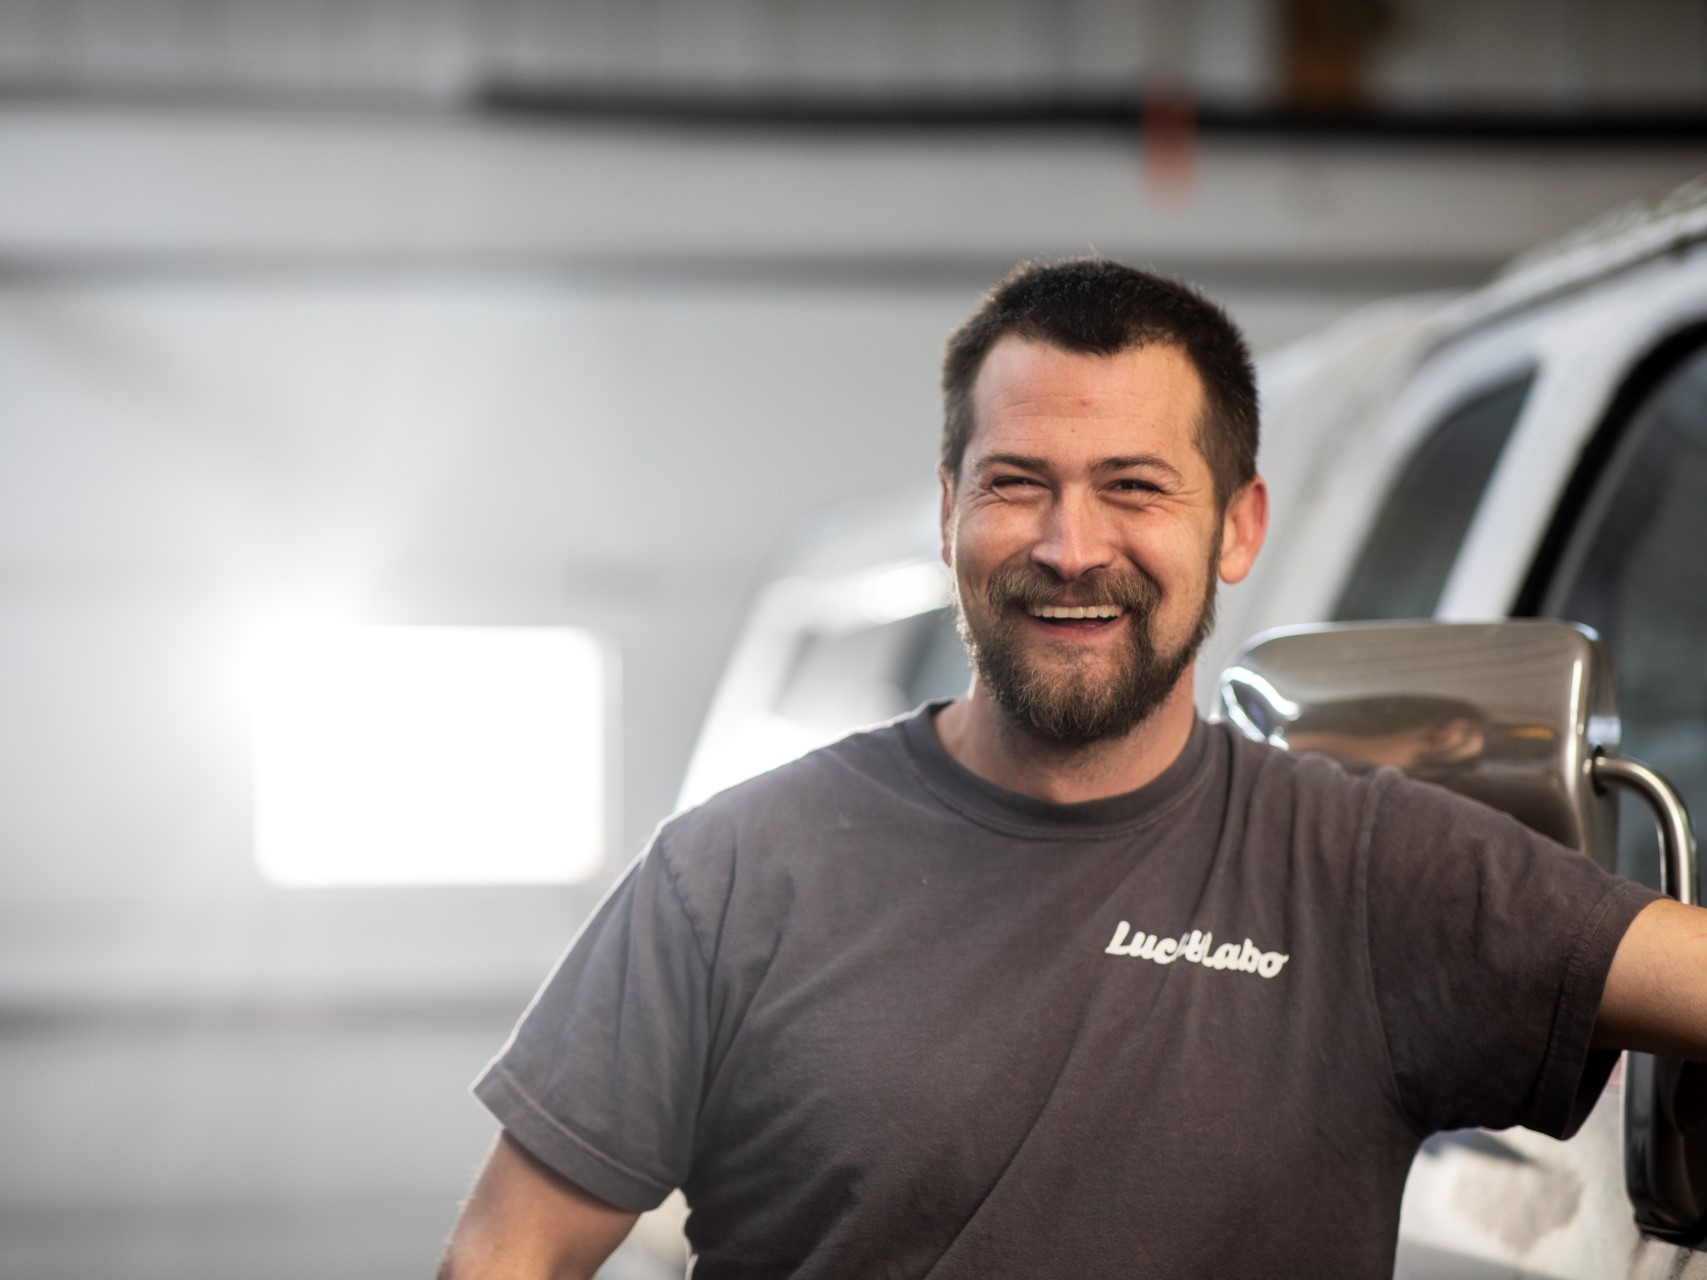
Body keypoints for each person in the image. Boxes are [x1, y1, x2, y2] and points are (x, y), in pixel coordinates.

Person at [438, 259, 1706, 1279]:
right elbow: (510, 1252)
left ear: (1238, 525)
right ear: (948, 515)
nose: (1069, 543)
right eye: (1016, 483)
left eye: (1135, 487)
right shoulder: (731, 870)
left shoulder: (1364, 873)